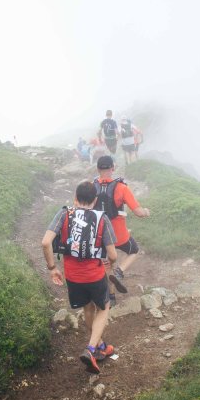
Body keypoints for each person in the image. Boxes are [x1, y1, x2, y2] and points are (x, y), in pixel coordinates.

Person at [41, 181, 118, 374]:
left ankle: (100, 346)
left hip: (73, 277)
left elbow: (45, 242)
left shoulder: (64, 213)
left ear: (75, 198)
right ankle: (91, 349)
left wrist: (52, 268)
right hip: (94, 274)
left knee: (88, 307)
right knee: (104, 307)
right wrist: (111, 262)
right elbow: (113, 255)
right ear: (95, 200)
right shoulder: (102, 219)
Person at [93, 156, 150, 303]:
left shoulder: (90, 186)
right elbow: (138, 212)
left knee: (108, 264)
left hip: (99, 236)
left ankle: (110, 297)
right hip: (119, 235)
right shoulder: (121, 187)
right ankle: (119, 272)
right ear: (113, 168)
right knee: (134, 250)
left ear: (98, 169)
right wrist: (146, 211)